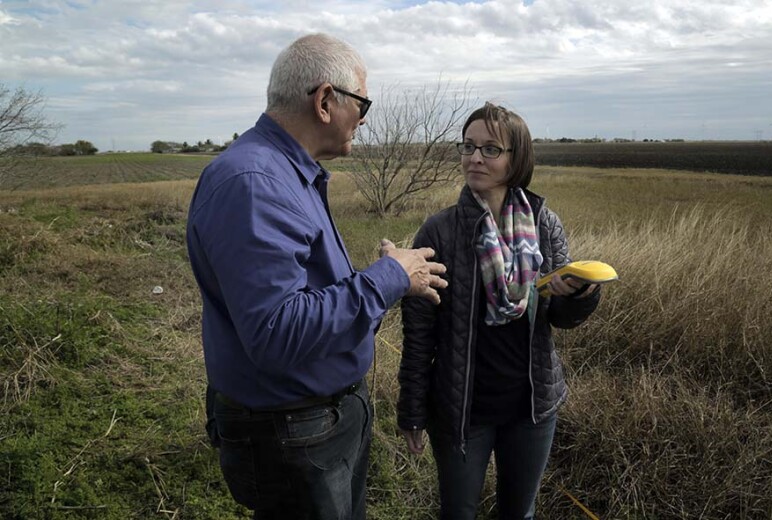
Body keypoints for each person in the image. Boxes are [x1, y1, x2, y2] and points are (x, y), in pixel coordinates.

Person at [186, 33, 447, 519]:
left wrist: (385, 277)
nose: (365, 118)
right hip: (294, 432)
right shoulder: (255, 184)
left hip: (312, 424)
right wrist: (386, 279)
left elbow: (303, 292)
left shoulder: (283, 172)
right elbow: (277, 332)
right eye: (362, 102)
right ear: (326, 101)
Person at [396, 102, 602, 519]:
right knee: (458, 512)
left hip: (531, 407)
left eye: (491, 149)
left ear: (516, 157)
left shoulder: (543, 223)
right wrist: (412, 410)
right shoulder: (440, 231)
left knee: (519, 513)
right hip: (462, 410)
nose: (475, 157)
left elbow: (560, 319)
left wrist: (577, 294)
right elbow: (419, 334)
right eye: (468, 146)